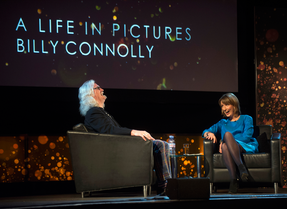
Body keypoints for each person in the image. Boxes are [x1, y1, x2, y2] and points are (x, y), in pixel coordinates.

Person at [78, 79, 171, 195]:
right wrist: (134, 132)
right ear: (91, 94)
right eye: (98, 87)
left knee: (157, 145)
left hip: (119, 150)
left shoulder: (99, 112)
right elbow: (109, 131)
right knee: (160, 144)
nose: (102, 89)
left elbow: (114, 131)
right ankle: (166, 185)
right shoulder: (93, 113)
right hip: (115, 153)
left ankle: (164, 184)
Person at [202, 93, 259, 193]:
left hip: (245, 145)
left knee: (227, 136)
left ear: (234, 105)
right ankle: (235, 179)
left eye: (226, 105)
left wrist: (228, 141)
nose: (224, 108)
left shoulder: (247, 118)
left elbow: (247, 137)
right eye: (222, 106)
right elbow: (204, 131)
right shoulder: (222, 122)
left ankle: (239, 171)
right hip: (228, 148)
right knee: (224, 146)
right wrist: (209, 133)